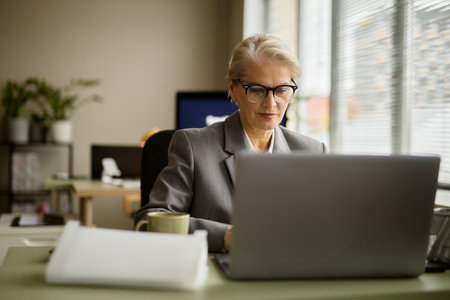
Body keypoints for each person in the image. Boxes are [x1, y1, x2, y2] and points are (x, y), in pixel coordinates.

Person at [135, 33, 326, 252]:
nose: (271, 103)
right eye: (257, 90)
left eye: (282, 90)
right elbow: (149, 222)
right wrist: (224, 237)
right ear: (233, 88)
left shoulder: (312, 151)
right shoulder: (192, 146)